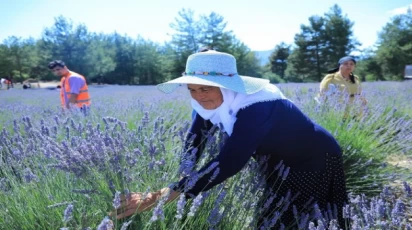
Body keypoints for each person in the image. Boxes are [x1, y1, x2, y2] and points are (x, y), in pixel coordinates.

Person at [113, 51, 348, 228]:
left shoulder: (257, 105)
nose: (198, 96)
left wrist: (164, 195)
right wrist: (182, 176)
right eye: (192, 89)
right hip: (275, 162)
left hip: (312, 159)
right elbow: (195, 139)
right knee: (272, 218)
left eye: (205, 89)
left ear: (227, 86)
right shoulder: (208, 101)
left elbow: (230, 161)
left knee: (307, 220)